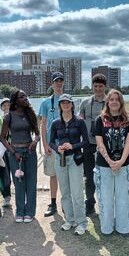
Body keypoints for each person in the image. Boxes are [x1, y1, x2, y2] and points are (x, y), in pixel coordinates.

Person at [94, 89, 129, 236]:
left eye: (117, 99)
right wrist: (110, 161)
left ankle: (123, 227)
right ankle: (107, 227)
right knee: (105, 197)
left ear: (121, 102)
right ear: (107, 102)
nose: (114, 102)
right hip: (104, 165)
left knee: (123, 197)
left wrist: (121, 161)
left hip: (124, 164)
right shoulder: (100, 119)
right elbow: (99, 142)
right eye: (111, 99)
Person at [50, 94, 89, 235]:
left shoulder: (79, 121)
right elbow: (51, 142)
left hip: (75, 159)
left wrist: (72, 146)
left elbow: (85, 141)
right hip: (60, 160)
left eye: (68, 102)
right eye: (63, 102)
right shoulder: (55, 123)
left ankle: (81, 222)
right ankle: (69, 220)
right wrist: (57, 148)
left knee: (77, 192)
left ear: (72, 105)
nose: (65, 105)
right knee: (65, 192)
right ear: (59, 105)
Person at [0, 90, 40, 223]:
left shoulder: (30, 114)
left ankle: (30, 212)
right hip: (15, 153)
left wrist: (35, 142)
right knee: (18, 182)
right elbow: (2, 138)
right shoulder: (8, 117)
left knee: (31, 182)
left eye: (26, 96)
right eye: (22, 96)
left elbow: (38, 134)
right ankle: (20, 211)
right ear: (15, 100)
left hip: (30, 152)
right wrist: (13, 152)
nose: (25, 98)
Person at [79, 73, 107, 216]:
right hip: (88, 144)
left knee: (106, 176)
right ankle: (90, 203)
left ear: (105, 87)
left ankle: (106, 205)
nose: (97, 89)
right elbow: (80, 121)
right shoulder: (85, 102)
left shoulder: (110, 101)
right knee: (89, 176)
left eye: (100, 86)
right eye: (95, 86)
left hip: (106, 145)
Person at [39, 71, 64, 217]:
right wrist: (45, 144)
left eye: (61, 81)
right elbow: (43, 125)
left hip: (65, 145)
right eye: (56, 81)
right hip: (52, 144)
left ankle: (66, 204)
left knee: (66, 175)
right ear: (52, 84)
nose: (59, 83)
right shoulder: (46, 102)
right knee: (53, 175)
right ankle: (53, 203)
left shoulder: (69, 100)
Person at [0, 98, 12, 208]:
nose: (6, 107)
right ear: (1, 107)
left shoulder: (16, 118)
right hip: (4, 150)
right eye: (4, 105)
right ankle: (6, 197)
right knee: (5, 174)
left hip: (16, 149)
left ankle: (21, 195)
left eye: (8, 105)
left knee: (18, 173)